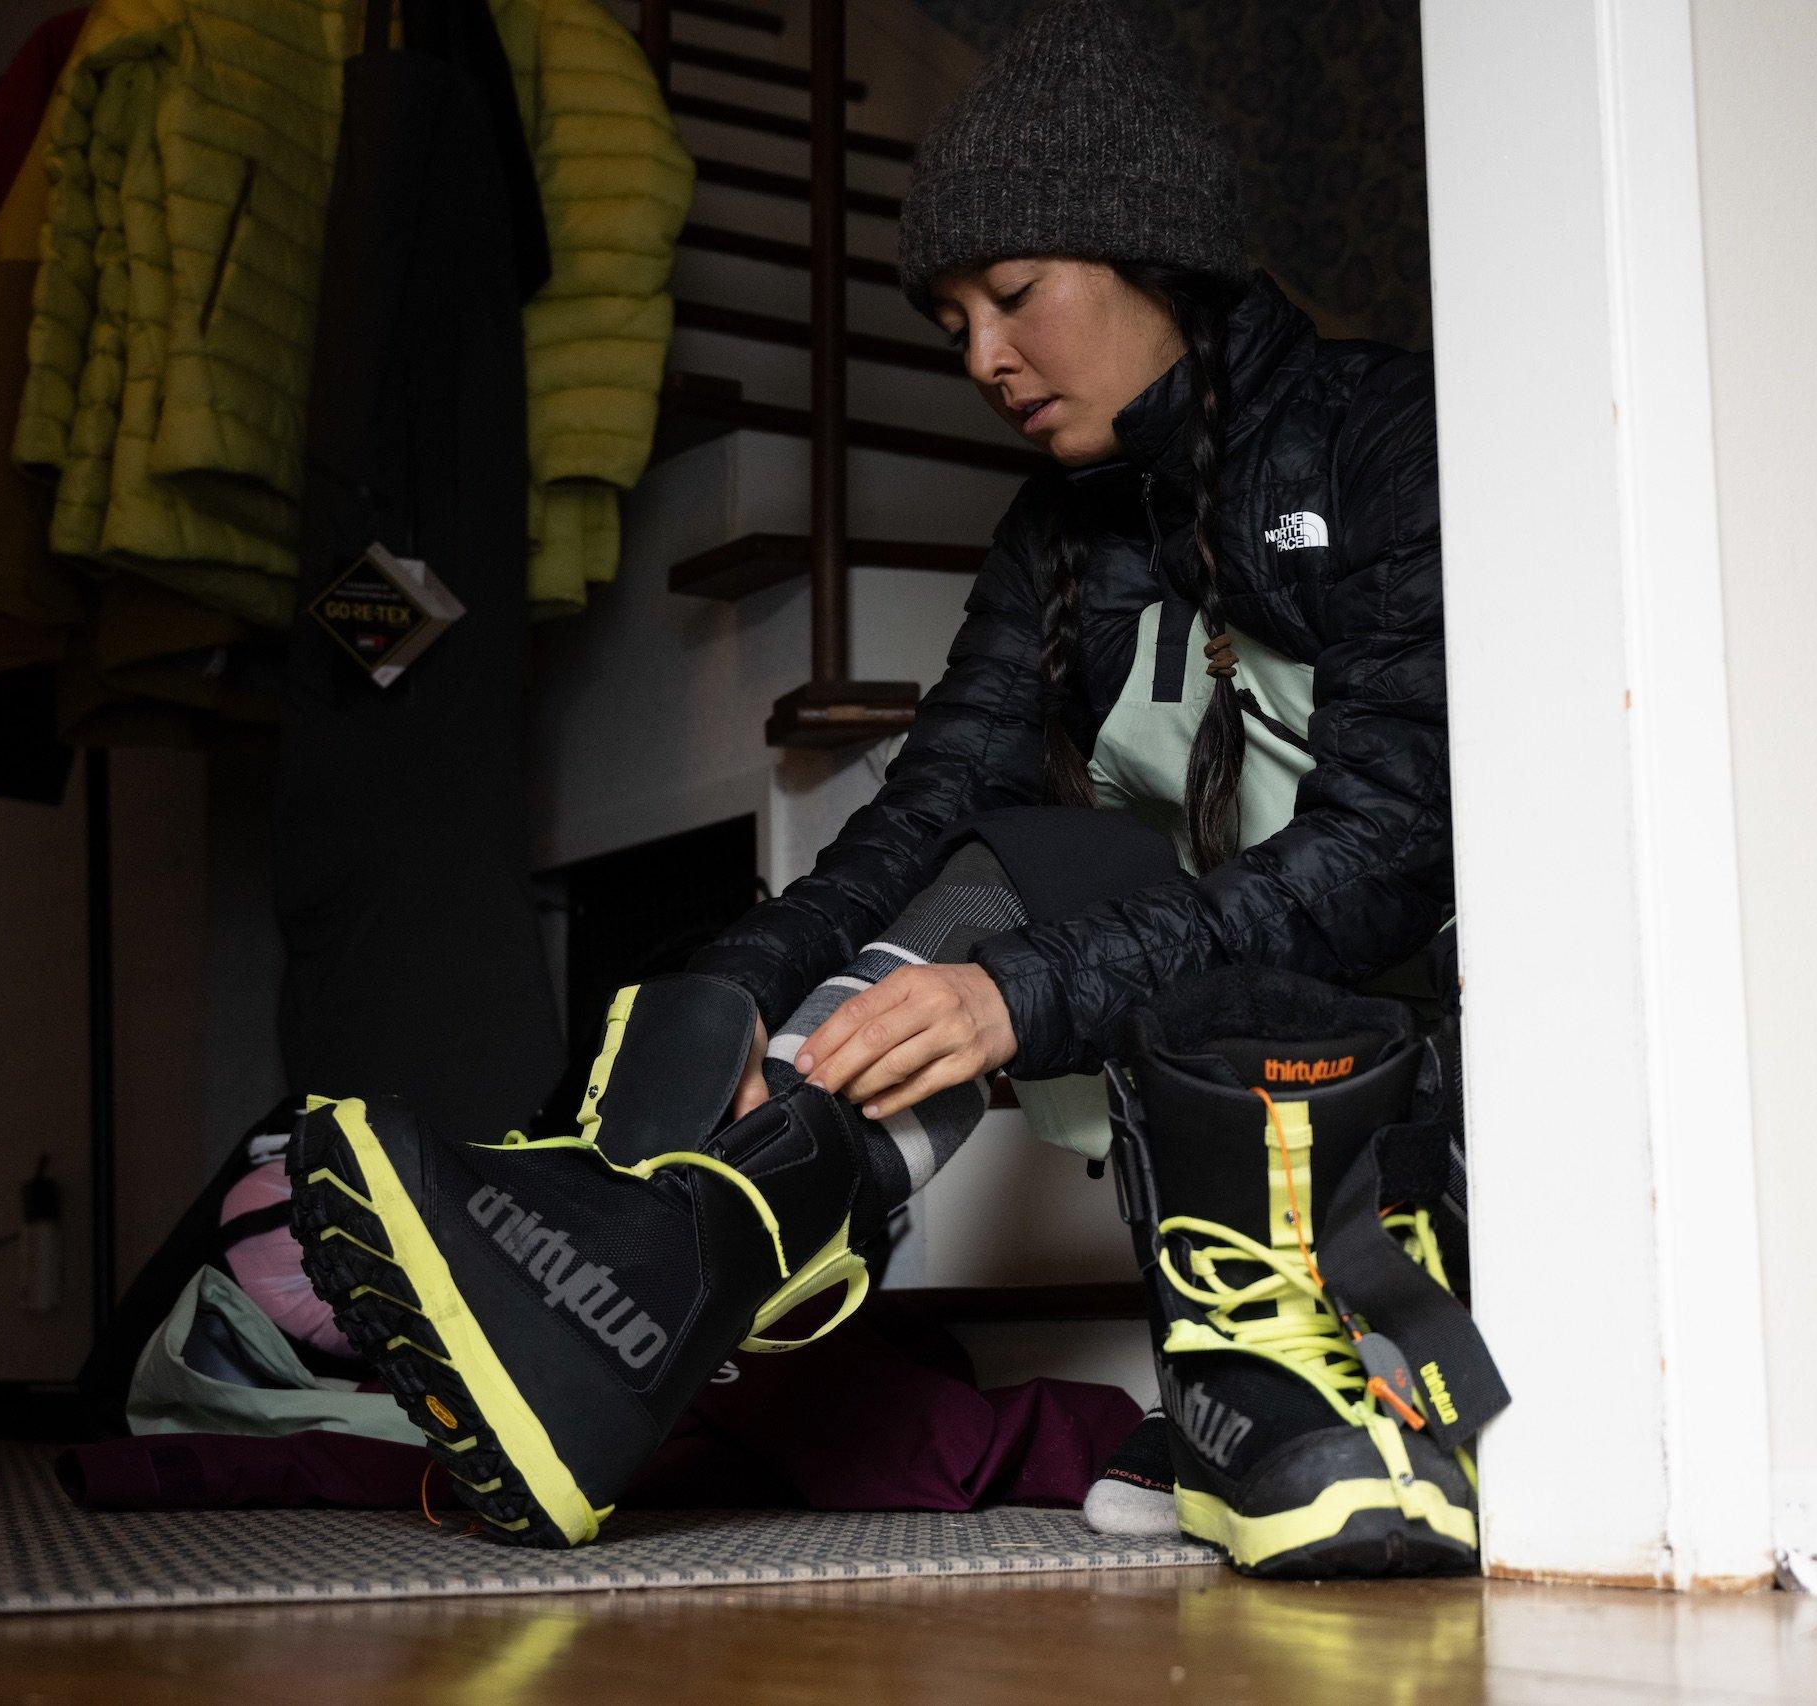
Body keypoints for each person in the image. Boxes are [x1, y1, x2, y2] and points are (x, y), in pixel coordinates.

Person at [286, 0, 1471, 1572]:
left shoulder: (1394, 440)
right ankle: (641, 1264)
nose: (984, 358)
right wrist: (731, 976)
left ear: (1154, 252)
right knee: (1005, 847)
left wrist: (1012, 999)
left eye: (1014, 295)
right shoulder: (1054, 535)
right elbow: (927, 810)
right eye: (949, 323)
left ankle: (645, 1282)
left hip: (1425, 1055)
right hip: (1211, 1037)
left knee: (1033, 941)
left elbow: (1396, 847)